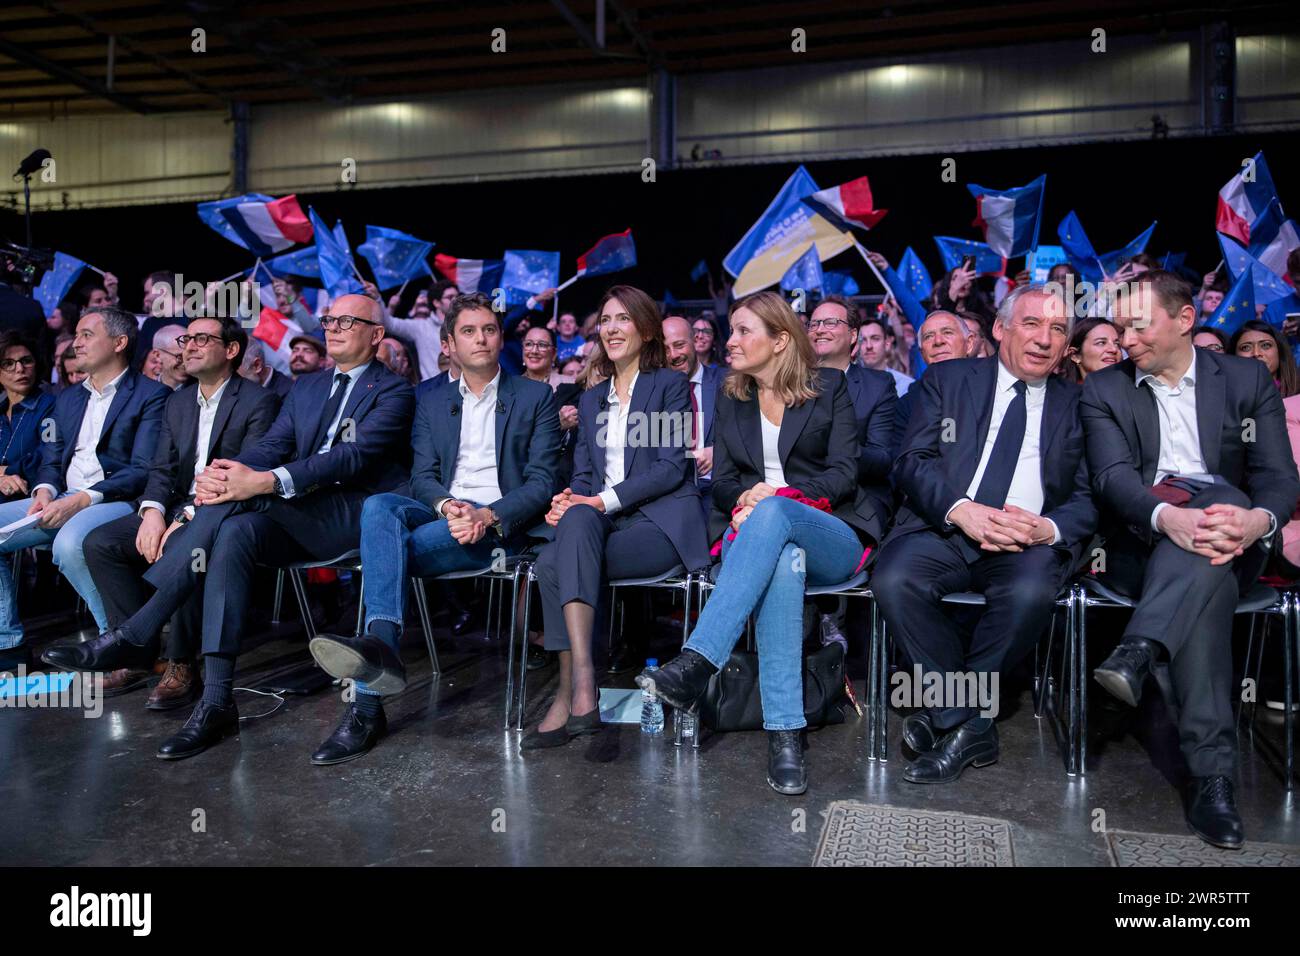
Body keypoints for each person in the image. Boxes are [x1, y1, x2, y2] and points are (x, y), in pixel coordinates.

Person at [40, 294, 415, 761]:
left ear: (376, 334)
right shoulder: (308, 387)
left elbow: (351, 457)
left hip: (352, 512)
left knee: (231, 507)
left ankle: (138, 632)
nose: (333, 327)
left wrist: (259, 482)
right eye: (329, 319)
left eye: (347, 321)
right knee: (233, 529)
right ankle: (216, 701)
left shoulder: (394, 390)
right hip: (293, 510)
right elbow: (273, 445)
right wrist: (226, 475)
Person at [1082, 271, 1300, 848]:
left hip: (1235, 541)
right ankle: (1213, 778)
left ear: (1184, 320)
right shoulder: (1105, 389)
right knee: (1210, 577)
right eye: (1120, 326)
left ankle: (1140, 648)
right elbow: (1112, 480)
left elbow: (1278, 478)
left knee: (1225, 504)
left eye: (1138, 324)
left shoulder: (1247, 380)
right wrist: (1169, 518)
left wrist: (1258, 521)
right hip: (1143, 543)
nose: (1126, 339)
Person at [307, 293, 561, 763]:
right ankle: (381, 647)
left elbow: (543, 481)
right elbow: (423, 476)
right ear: (448, 344)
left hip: (501, 524)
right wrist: (447, 506)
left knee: (385, 549)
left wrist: (486, 516)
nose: (481, 338)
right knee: (381, 506)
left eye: (489, 329)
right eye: (468, 331)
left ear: (500, 336)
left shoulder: (535, 396)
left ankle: (366, 702)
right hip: (446, 512)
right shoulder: (431, 399)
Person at [635, 291, 871, 794]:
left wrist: (776, 500)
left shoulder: (829, 386)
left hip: (831, 534)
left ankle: (698, 661)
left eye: (744, 331)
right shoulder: (731, 394)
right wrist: (744, 494)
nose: (731, 341)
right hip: (759, 539)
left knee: (776, 520)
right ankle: (786, 735)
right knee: (783, 565)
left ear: (780, 339)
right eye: (732, 330)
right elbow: (720, 482)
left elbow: (844, 475)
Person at [871, 284, 1096, 786]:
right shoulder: (949, 379)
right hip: (944, 527)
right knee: (894, 579)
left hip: (1026, 540)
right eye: (1032, 324)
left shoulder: (1080, 402)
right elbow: (912, 461)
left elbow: (1091, 493)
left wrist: (1048, 527)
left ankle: (949, 714)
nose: (1044, 338)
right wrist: (961, 510)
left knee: (1032, 591)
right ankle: (970, 721)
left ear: (1066, 345)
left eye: (1058, 329)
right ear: (999, 328)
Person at [527, 285, 708, 749]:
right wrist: (570, 500)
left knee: (554, 563)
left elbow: (671, 467)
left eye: (623, 319)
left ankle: (569, 692)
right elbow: (586, 477)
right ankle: (583, 688)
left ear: (646, 329)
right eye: (605, 320)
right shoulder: (590, 401)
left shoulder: (668, 385)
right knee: (561, 544)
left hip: (659, 523)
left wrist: (597, 503)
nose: (611, 328)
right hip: (604, 524)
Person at [74, 316, 281, 705]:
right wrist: (153, 511)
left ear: (231, 350)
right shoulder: (177, 400)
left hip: (222, 508)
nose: (189, 346)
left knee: (187, 547)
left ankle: (181, 661)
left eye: (203, 339)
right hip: (174, 505)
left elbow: (242, 474)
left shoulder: (259, 400)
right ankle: (137, 652)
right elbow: (162, 468)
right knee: (101, 542)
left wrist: (185, 516)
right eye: (187, 339)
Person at [0, 306, 169, 672]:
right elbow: (51, 456)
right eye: (75, 334)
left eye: (87, 334)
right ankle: (9, 645)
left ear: (120, 342)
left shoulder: (152, 395)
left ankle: (121, 644)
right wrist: (44, 490)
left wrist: (81, 499)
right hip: (63, 498)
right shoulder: (69, 398)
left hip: (116, 500)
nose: (76, 342)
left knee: (68, 543)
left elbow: (142, 471)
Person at [807, 295, 897, 646]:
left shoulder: (877, 386)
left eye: (831, 323)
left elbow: (883, 457)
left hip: (856, 494)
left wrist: (837, 451)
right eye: (814, 323)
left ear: (854, 335)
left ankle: (829, 621)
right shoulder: (791, 382)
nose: (820, 329)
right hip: (798, 490)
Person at [891, 310, 978, 458]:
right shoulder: (906, 405)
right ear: (922, 352)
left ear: (969, 343)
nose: (938, 341)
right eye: (929, 336)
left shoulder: (994, 389)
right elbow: (902, 463)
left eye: (947, 332)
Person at [663, 315, 723, 491]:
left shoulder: (725, 383)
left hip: (717, 485)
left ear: (694, 342)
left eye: (679, 345)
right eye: (666, 349)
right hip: (673, 490)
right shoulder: (655, 391)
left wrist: (718, 453)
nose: (673, 355)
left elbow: (747, 434)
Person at [0, 332, 57, 501]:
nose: (20, 369)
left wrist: (7, 471)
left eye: (26, 361)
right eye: (8, 363)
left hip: (30, 497)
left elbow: (49, 454)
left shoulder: (50, 406)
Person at [382, 279, 454, 381]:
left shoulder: (464, 326)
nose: (455, 300)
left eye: (457, 296)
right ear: (437, 303)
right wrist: (379, 299)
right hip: (433, 389)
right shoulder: (420, 327)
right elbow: (389, 323)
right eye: (450, 297)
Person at [1231, 319, 1300, 397]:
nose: (1256, 353)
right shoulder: (1222, 398)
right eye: (1246, 347)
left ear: (1280, 352)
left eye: (1265, 345)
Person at [858, 316, 913, 396]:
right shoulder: (847, 385)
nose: (869, 346)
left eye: (875, 339)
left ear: (887, 344)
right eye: (863, 340)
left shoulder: (906, 386)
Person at [1063, 318, 1121, 384]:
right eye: (1101, 343)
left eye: (1117, 344)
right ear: (1075, 356)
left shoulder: (1130, 390)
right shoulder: (1062, 393)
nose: (1114, 349)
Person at [149, 324, 191, 390]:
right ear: (157, 355)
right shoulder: (142, 391)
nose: (185, 363)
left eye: (189, 356)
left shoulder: (201, 391)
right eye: (179, 357)